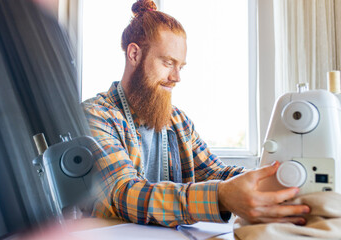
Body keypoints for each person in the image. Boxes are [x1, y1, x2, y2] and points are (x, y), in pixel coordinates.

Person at [83, 0, 310, 227]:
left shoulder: (178, 121)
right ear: (134, 54)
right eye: (168, 62)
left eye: (180, 66)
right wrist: (219, 196)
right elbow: (125, 194)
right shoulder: (95, 117)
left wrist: (270, 180)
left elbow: (215, 173)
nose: (176, 77)